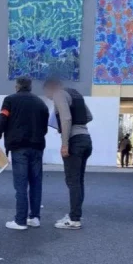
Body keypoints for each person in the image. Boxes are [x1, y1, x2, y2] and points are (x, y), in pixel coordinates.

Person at [0, 76, 49, 230]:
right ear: (30, 87)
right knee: (36, 183)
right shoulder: (41, 103)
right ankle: (35, 217)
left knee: (21, 184)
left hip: (19, 148)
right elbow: (44, 128)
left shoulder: (10, 100)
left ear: (17, 86)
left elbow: (1, 120)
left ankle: (20, 220)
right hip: (37, 147)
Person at [43, 76, 93, 230]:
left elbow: (66, 118)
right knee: (78, 181)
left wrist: (65, 144)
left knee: (72, 182)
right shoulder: (75, 93)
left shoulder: (59, 94)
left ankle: (74, 219)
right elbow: (89, 116)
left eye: (47, 94)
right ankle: (75, 215)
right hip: (86, 139)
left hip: (74, 142)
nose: (50, 98)